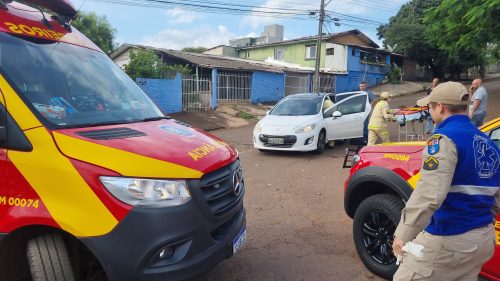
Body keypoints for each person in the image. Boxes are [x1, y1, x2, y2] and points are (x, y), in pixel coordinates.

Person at [392, 81, 500, 281]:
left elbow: (430, 194)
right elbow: (496, 195)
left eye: (430, 107)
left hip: (450, 237)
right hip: (483, 238)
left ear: (440, 106)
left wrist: (403, 234)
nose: (430, 112)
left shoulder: (443, 139)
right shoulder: (486, 141)